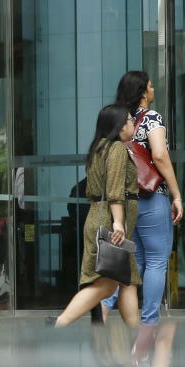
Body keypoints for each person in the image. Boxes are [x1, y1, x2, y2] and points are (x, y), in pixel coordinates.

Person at [101, 71, 183, 324]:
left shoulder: (118, 121)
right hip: (151, 197)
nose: (154, 90)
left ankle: (103, 308)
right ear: (143, 92)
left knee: (133, 261)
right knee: (157, 260)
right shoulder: (151, 118)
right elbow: (159, 155)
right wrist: (177, 194)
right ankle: (149, 321)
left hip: (125, 201)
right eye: (150, 86)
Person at [55, 105, 141, 327]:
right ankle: (60, 323)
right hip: (110, 222)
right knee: (107, 284)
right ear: (119, 126)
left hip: (100, 216)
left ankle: (137, 340)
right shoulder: (116, 149)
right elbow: (114, 190)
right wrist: (119, 223)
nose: (133, 124)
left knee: (127, 280)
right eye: (130, 121)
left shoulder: (99, 148)